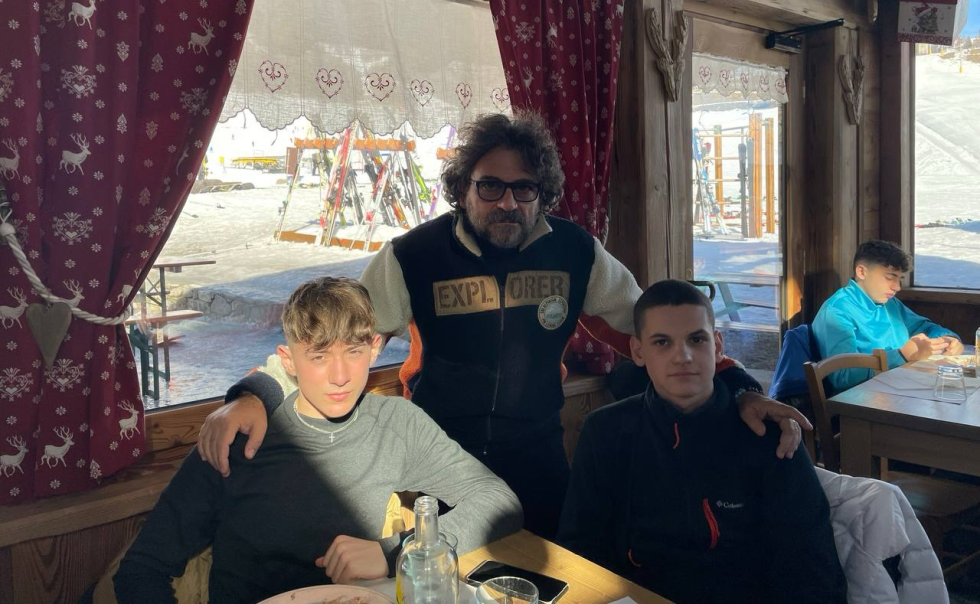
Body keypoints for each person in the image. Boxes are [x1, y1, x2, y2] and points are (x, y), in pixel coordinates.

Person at [197, 114, 808, 539]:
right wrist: (254, 395)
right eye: (490, 186)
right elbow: (335, 342)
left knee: (547, 582)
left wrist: (739, 388)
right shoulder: (413, 256)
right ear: (463, 188)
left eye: (523, 188)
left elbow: (658, 333)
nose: (507, 202)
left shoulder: (576, 252)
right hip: (430, 460)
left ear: (542, 195)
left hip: (538, 457)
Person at [115, 277, 522, 604]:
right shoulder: (236, 439)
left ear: (375, 349)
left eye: (354, 352)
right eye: (319, 356)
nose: (341, 376)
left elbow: (499, 502)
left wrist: (395, 551)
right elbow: (141, 570)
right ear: (288, 360)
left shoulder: (397, 424)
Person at [558, 280, 847, 604]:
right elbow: (579, 549)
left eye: (696, 339)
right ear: (638, 352)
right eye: (662, 342)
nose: (682, 356)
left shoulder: (769, 436)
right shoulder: (605, 433)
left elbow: (812, 571)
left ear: (718, 346)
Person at [812, 240, 962, 395]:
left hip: (905, 388)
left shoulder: (890, 303)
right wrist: (902, 355)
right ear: (862, 272)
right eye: (890, 277)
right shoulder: (837, 312)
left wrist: (947, 340)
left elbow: (926, 327)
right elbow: (842, 377)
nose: (897, 287)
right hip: (862, 401)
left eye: (900, 279)